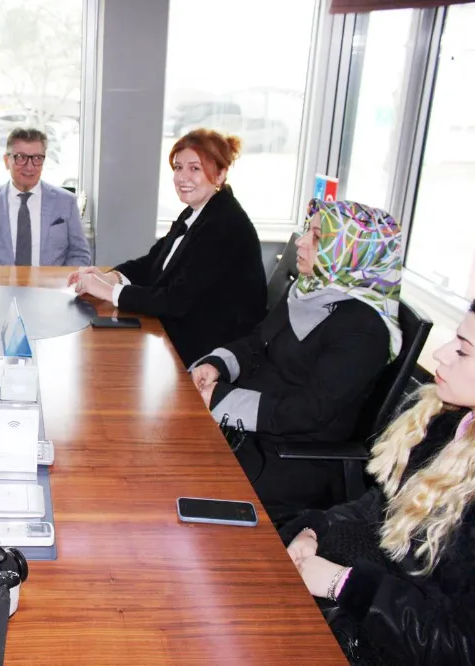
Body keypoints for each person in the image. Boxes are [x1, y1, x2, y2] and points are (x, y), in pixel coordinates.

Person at [279, 301, 475, 665]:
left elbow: (460, 646)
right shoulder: (447, 424)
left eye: (463, 351)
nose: (442, 354)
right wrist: (313, 530)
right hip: (370, 615)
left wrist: (345, 585)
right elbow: (381, 508)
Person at [191, 199, 403, 519]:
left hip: (288, 459)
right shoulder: (309, 291)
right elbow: (256, 343)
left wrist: (220, 399)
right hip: (251, 433)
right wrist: (216, 365)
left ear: (350, 252)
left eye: (317, 237)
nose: (301, 242)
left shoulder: (364, 329)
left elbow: (309, 411)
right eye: (308, 231)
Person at [69, 128, 265, 367]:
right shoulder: (198, 211)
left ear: (221, 174)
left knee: (107, 360)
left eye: (195, 168)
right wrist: (111, 278)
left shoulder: (225, 225)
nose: (182, 177)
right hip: (181, 331)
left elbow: (176, 301)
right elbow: (154, 261)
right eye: (178, 167)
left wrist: (108, 292)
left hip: (209, 352)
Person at [0, 127, 91, 267]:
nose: (29, 167)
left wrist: (60, 278)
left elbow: (80, 254)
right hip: (2, 281)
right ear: (7, 161)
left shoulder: (66, 202)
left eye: (37, 158)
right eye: (21, 157)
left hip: (51, 281)